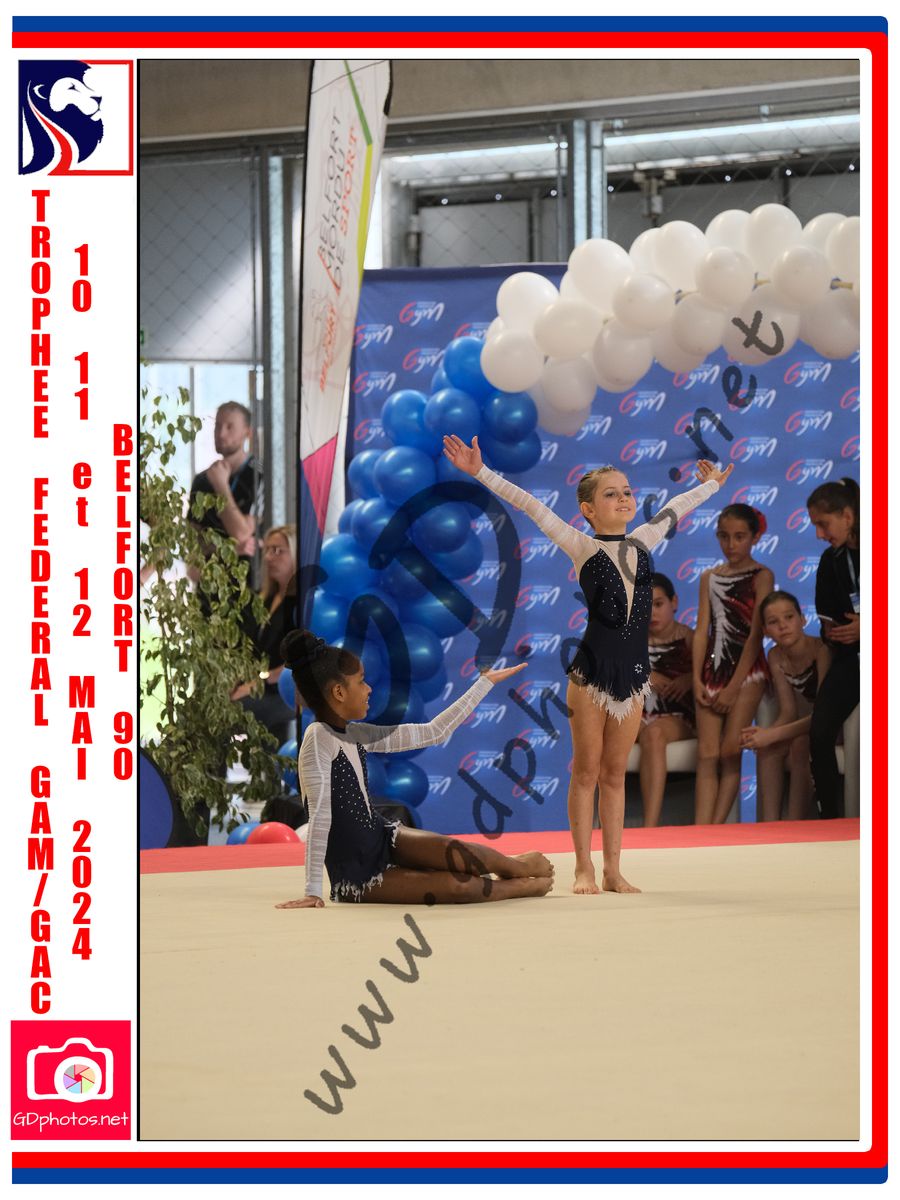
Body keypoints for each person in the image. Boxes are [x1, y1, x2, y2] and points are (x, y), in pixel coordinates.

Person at [443, 433, 731, 894]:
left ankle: (613, 869)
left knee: (615, 774)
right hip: (591, 676)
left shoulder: (643, 541)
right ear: (588, 510)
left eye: (627, 491)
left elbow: (678, 507)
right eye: (611, 494)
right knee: (586, 771)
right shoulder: (582, 547)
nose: (623, 498)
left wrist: (712, 485)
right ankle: (583, 867)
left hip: (633, 678)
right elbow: (530, 506)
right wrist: (480, 471)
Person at [275, 632, 554, 908]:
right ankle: (519, 886)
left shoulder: (356, 733)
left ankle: (514, 866)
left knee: (455, 851)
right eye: (361, 681)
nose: (369, 689)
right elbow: (320, 816)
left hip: (383, 837)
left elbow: (434, 732)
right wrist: (313, 890)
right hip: (357, 874)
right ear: (339, 692)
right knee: (457, 886)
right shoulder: (318, 739)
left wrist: (484, 683)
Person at [692, 504, 773, 825]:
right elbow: (702, 630)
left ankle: (715, 830)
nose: (731, 544)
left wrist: (734, 686)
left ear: (755, 537)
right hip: (712, 670)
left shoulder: (762, 575)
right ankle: (700, 832)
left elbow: (755, 635)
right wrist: (697, 678)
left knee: (729, 751)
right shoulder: (709, 577)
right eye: (724, 537)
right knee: (707, 754)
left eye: (740, 537)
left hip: (748, 672)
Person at [740, 591, 832, 821]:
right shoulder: (775, 656)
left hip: (832, 728)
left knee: (800, 744)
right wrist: (764, 735)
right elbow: (788, 711)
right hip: (804, 726)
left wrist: (772, 734)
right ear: (765, 630)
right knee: (769, 748)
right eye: (774, 622)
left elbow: (824, 716)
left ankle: (794, 823)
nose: (783, 626)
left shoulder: (822, 650)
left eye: (789, 617)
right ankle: (769, 825)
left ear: (803, 619)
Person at [806, 478, 860, 818]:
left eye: (823, 524)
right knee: (819, 730)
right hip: (852, 660)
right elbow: (827, 618)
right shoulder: (831, 560)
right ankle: (829, 820)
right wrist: (833, 630)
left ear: (847, 516)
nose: (819, 534)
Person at [231, 524, 298, 746]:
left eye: (278, 551)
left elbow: (296, 664)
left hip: (284, 692)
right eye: (267, 550)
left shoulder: (302, 604)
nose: (269, 557)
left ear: (296, 554)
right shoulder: (264, 599)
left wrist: (257, 682)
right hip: (258, 685)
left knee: (227, 713)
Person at [637, 573, 695, 827]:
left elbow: (710, 677)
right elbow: (611, 674)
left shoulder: (691, 638)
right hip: (638, 715)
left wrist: (689, 679)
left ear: (674, 602)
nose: (652, 613)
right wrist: (644, 675)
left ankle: (650, 826)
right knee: (611, 730)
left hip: (678, 716)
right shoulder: (630, 641)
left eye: (658, 604)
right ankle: (603, 823)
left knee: (655, 734)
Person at [189, 401, 264, 582]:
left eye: (230, 427)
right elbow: (192, 545)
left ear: (247, 433)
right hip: (208, 586)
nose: (221, 433)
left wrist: (221, 486)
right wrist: (230, 548)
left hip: (248, 585)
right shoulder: (202, 480)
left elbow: (241, 534)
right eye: (218, 426)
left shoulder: (260, 476)